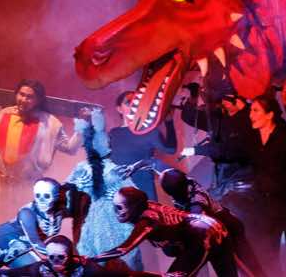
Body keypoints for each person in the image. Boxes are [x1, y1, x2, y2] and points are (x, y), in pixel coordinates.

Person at [223, 93, 286, 277]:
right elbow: (231, 148)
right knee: (267, 255)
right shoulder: (254, 139)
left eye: (256, 111)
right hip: (265, 207)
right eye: (251, 111)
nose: (251, 115)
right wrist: (196, 150)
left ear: (270, 115)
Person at [0, 80, 85, 212]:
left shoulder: (50, 123)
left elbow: (70, 149)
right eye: (21, 94)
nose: (24, 100)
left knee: (24, 222)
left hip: (28, 187)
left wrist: (83, 124)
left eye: (30, 97)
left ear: (38, 100)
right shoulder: (4, 114)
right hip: (0, 184)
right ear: (16, 94)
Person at [92, 187, 237, 277]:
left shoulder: (147, 221)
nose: (116, 212)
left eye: (119, 207)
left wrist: (90, 259)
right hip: (214, 228)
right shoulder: (148, 206)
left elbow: (123, 249)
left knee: (176, 275)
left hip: (203, 235)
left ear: (133, 207)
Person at [66, 109, 146, 271]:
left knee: (122, 263)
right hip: (93, 225)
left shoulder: (115, 170)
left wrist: (120, 197)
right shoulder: (82, 169)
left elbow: (137, 199)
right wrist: (76, 190)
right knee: (96, 262)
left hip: (114, 222)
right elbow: (67, 200)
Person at [160, 168, 266, 277]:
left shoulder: (197, 203)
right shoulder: (187, 183)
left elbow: (197, 223)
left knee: (250, 269)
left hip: (228, 229)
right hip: (216, 232)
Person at [0, 178, 86, 271]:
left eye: (46, 196)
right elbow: (36, 243)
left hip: (20, 247)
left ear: (55, 196)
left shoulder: (59, 211)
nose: (41, 201)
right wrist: (67, 257)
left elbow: (78, 207)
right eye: (38, 196)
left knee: (43, 273)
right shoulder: (27, 213)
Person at [179, 83, 255, 199]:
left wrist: (194, 150)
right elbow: (189, 116)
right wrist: (193, 95)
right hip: (223, 167)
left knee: (221, 196)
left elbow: (222, 149)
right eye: (224, 98)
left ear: (239, 101)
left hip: (236, 170)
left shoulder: (245, 122)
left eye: (229, 98)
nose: (225, 101)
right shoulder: (218, 118)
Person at [0, 235, 161, 276]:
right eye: (51, 257)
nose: (55, 262)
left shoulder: (85, 269)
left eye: (60, 257)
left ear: (70, 256)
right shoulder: (40, 269)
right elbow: (5, 274)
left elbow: (125, 276)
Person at [109, 90, 177, 201]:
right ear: (119, 109)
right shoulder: (113, 133)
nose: (134, 105)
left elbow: (171, 150)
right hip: (119, 195)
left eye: (138, 102)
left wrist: (169, 122)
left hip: (144, 194)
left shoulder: (149, 131)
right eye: (129, 102)